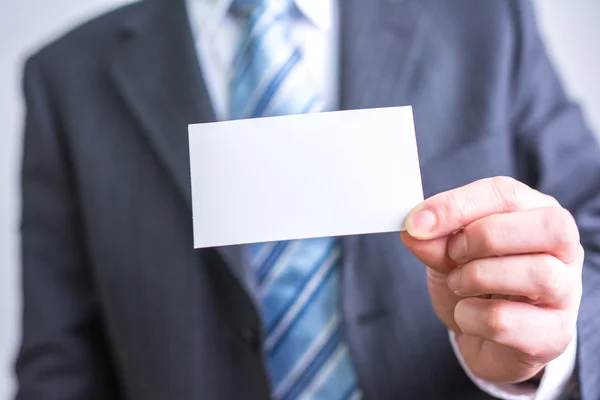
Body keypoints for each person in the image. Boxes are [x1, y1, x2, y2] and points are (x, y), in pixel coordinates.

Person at [15, 0, 600, 398]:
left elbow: (589, 233)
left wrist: (549, 346)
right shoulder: (68, 77)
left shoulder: (484, 19)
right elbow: (60, 365)